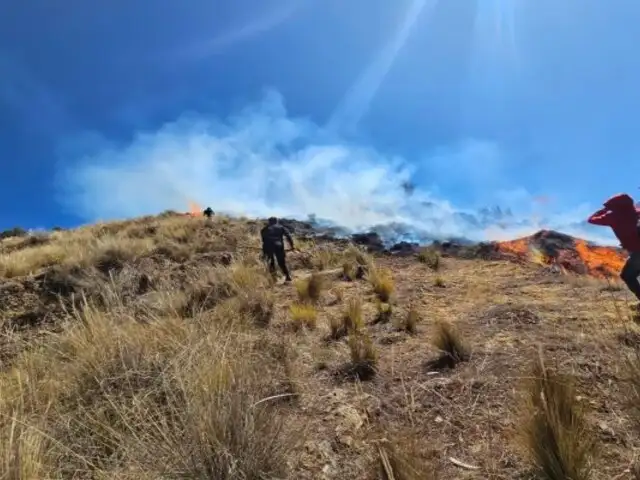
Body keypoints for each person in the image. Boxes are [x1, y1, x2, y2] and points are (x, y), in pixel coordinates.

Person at [587, 193, 640, 302]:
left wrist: (603, 210)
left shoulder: (612, 217)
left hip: (637, 252)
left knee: (627, 276)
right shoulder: (636, 213)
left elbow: (591, 219)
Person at [261, 217, 295, 282]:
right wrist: (292, 246)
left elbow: (263, 240)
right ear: (276, 221)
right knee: (282, 262)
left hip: (268, 246)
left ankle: (274, 279)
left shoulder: (264, 229)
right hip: (278, 246)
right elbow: (288, 236)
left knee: (271, 262)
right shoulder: (281, 227)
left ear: (269, 222)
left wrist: (264, 251)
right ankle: (288, 276)